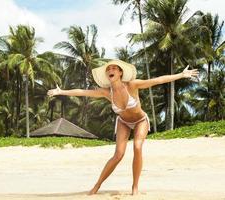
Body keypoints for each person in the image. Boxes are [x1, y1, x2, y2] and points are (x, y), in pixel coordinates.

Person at [47, 59, 199, 195]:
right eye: (108, 69)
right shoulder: (107, 92)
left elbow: (158, 80)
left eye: (114, 68)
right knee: (118, 155)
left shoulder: (132, 85)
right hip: (123, 122)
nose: (110, 70)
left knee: (137, 147)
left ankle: (135, 187)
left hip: (140, 120)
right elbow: (83, 92)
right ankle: (96, 186)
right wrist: (61, 92)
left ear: (120, 72)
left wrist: (181, 75)